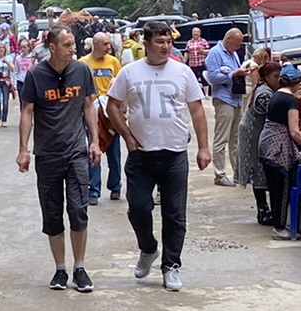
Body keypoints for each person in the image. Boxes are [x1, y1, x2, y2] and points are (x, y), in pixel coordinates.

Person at [103, 22, 211, 291]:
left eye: (169, 42)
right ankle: (148, 248)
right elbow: (112, 105)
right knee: (138, 208)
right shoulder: (130, 73)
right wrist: (127, 136)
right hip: (141, 154)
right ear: (146, 44)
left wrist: (203, 147)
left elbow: (197, 110)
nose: (165, 47)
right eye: (160, 42)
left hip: (174, 153)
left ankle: (171, 265)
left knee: (175, 214)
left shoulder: (182, 72)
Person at [17, 25, 99, 292]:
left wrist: (95, 141)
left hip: (76, 150)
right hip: (48, 153)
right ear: (52, 48)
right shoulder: (36, 75)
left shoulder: (82, 70)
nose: (72, 49)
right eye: (67, 45)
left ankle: (80, 267)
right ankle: (60, 269)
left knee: (78, 209)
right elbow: (27, 111)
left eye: (73, 44)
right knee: (52, 213)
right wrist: (23, 149)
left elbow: (88, 105)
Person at [260, 63, 301, 240]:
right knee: (282, 189)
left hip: (266, 144)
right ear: (296, 83)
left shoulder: (277, 95)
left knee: (274, 188)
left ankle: (278, 222)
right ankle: (279, 227)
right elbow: (294, 132)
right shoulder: (291, 100)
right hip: (279, 149)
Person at [82, 32, 124, 204]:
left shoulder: (113, 62)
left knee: (114, 153)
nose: (109, 47)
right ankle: (93, 190)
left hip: (110, 114)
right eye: (105, 44)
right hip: (91, 113)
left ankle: (115, 186)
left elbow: (121, 85)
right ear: (96, 44)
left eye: (109, 44)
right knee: (94, 149)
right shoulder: (83, 63)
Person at [238, 56, 279, 226]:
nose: (278, 80)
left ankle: (264, 209)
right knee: (258, 168)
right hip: (253, 133)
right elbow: (274, 113)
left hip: (259, 131)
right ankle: (263, 209)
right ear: (267, 76)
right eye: (275, 76)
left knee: (261, 169)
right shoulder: (264, 94)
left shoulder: (266, 89)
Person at [202, 27, 245, 187]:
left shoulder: (232, 53)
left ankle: (238, 173)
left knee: (235, 139)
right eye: (237, 43)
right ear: (228, 39)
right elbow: (212, 77)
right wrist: (233, 74)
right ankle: (219, 175)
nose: (238, 47)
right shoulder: (215, 53)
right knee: (222, 139)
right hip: (224, 99)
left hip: (236, 99)